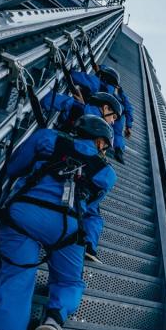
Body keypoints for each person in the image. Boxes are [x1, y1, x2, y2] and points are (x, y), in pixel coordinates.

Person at [0, 115, 116, 330]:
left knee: (17, 284)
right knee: (70, 282)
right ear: (99, 140)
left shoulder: (47, 137)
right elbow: (91, 203)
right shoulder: (107, 173)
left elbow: (13, 168)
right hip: (66, 227)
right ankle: (54, 318)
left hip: (24, 215)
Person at [39, 91, 122, 262]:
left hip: (51, 166)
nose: (113, 121)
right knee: (93, 213)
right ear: (105, 107)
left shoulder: (76, 108)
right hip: (77, 184)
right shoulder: (99, 138)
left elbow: (48, 100)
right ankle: (88, 245)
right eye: (113, 116)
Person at [71, 65, 133, 162]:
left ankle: (99, 146)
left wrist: (82, 105)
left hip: (105, 111)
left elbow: (75, 76)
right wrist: (129, 125)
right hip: (119, 114)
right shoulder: (120, 90)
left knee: (99, 124)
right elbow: (129, 107)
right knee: (116, 133)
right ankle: (118, 150)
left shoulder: (98, 84)